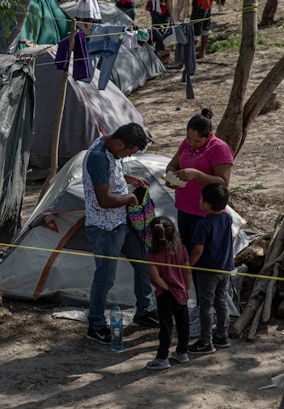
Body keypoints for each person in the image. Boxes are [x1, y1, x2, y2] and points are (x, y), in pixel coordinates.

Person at [83, 123, 159, 344]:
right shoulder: (97, 156)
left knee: (143, 262)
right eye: (129, 152)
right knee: (105, 278)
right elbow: (104, 200)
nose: (127, 157)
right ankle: (95, 325)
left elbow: (111, 173)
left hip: (122, 222)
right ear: (119, 143)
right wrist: (130, 197)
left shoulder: (112, 149)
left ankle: (144, 310)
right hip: (105, 228)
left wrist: (130, 180)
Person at [164, 108, 233, 251]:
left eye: (197, 140)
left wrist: (196, 174)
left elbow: (223, 183)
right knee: (187, 250)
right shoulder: (186, 144)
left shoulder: (219, 148)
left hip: (206, 212)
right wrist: (171, 177)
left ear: (208, 136)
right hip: (184, 208)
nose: (191, 143)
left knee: (203, 253)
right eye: (189, 138)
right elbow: (172, 164)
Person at [187, 184, 235, 355]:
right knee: (221, 301)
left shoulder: (203, 224)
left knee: (206, 306)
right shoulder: (227, 218)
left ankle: (205, 342)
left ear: (207, 204)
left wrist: (188, 265)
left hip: (208, 271)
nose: (199, 202)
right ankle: (222, 336)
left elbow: (198, 250)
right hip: (225, 268)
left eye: (201, 199)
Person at [145, 218, 191, 371]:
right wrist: (186, 289)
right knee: (183, 324)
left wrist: (166, 288)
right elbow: (187, 272)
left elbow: (156, 277)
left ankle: (162, 358)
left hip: (165, 295)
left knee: (166, 327)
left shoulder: (152, 254)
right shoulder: (181, 249)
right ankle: (182, 352)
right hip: (181, 292)